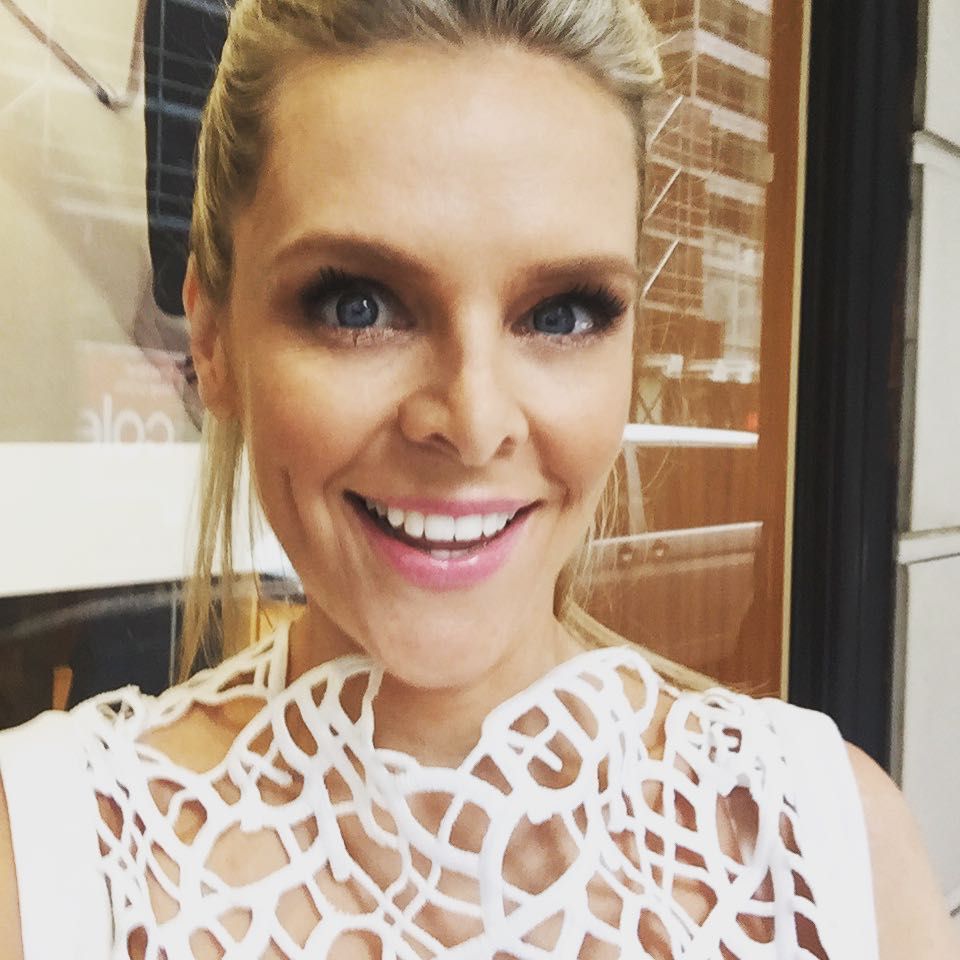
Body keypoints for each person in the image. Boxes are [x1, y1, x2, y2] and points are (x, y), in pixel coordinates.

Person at [1, 1, 957, 957]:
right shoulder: (46, 866)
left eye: (561, 315)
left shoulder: (827, 858)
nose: (472, 421)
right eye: (358, 305)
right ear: (211, 339)